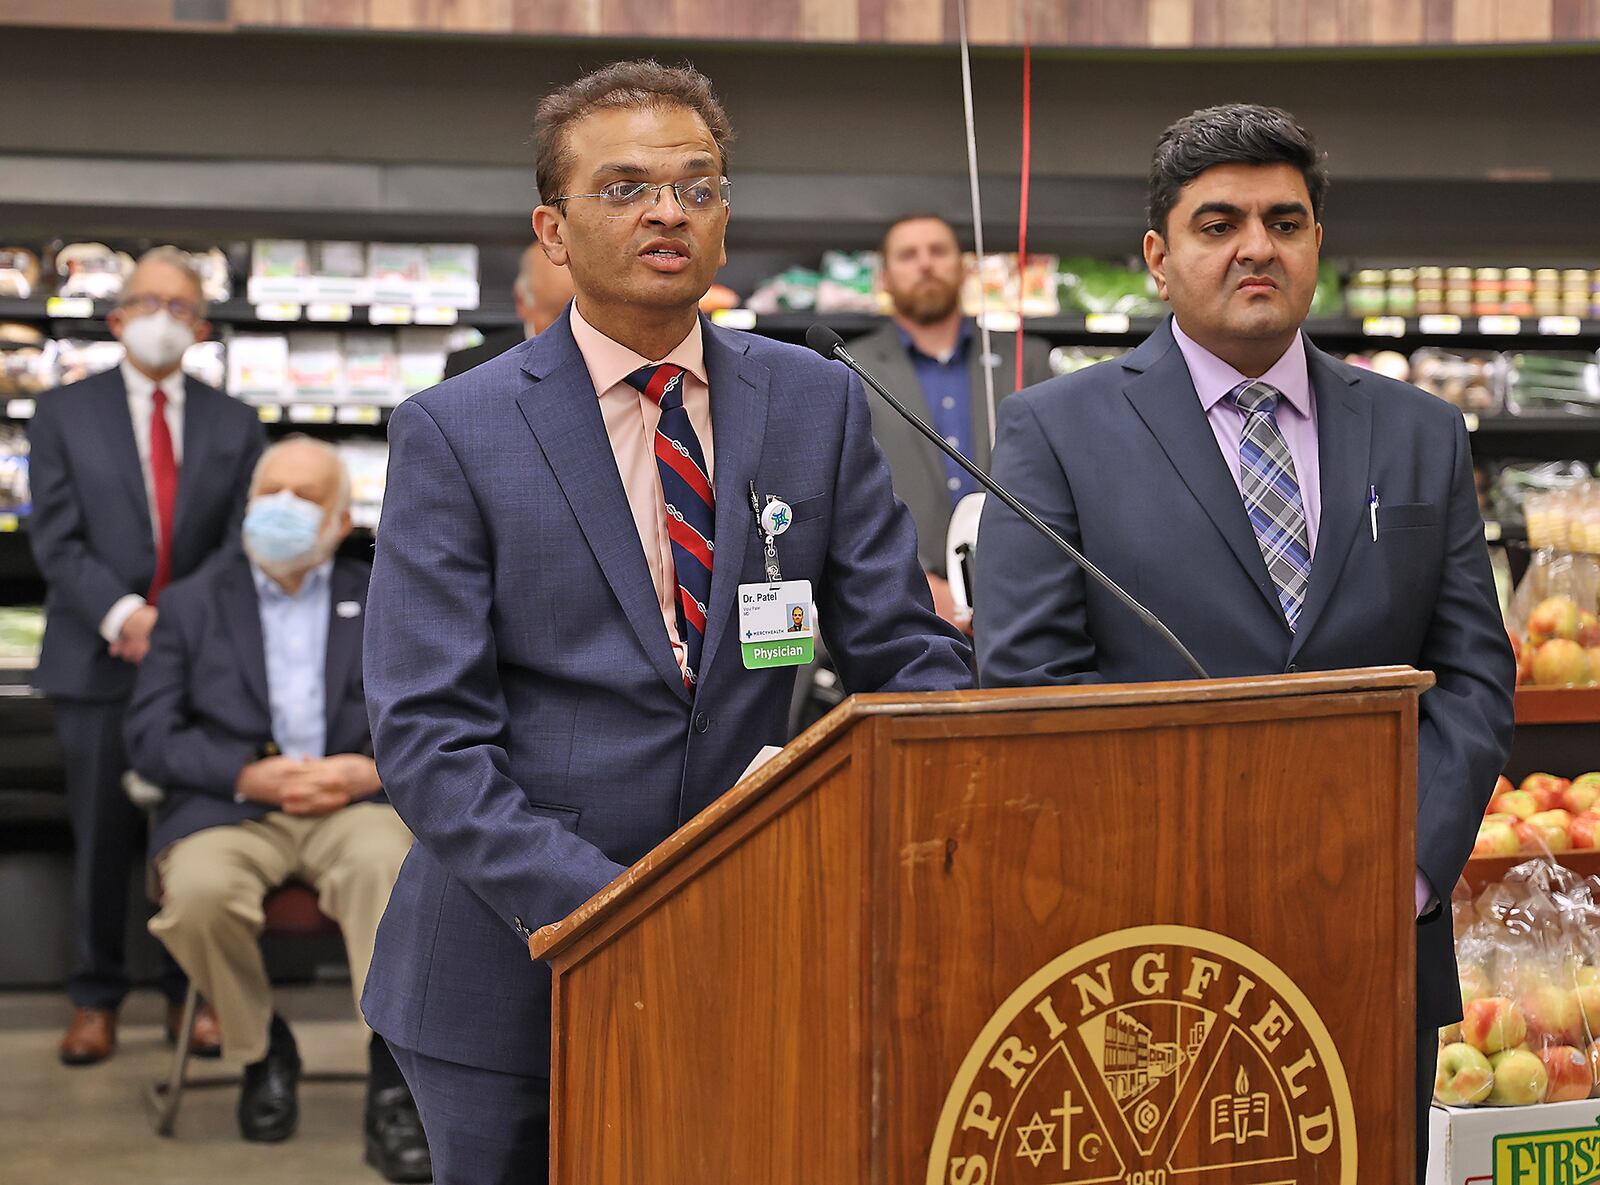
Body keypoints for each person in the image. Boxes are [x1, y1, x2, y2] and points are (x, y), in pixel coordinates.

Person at [360, 59, 972, 1185]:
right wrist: (616, 909)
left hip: (757, 951)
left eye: (696, 186)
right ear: (553, 228)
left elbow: (900, 647)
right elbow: (428, 738)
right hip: (516, 968)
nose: (666, 212)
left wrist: (930, 758)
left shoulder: (815, 397)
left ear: (725, 216)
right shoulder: (457, 430)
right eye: (625, 187)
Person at [973, 104, 1514, 1183]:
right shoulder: (1057, 431)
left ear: (1316, 243)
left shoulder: (1417, 432)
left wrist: (1405, 870)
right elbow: (1029, 689)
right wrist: (1174, 879)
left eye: (1284, 219)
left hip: (1373, 936)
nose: (1254, 246)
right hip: (1144, 953)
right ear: (1158, 259)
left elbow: (1470, 672)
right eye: (1217, 222)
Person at [124, 437, 428, 1182]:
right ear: (247, 503)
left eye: (305, 497)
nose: (283, 510)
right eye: (271, 492)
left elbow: (433, 711)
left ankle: (394, 1077)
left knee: (391, 870)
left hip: (353, 801)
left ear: (341, 517)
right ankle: (261, 1048)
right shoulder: (192, 602)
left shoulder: (388, 591)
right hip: (232, 807)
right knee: (195, 895)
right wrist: (246, 775)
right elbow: (150, 733)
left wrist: (369, 770)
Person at [27, 245, 265, 1065]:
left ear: (199, 327)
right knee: (100, 835)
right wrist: (125, 614)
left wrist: (178, 627)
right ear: (118, 314)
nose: (164, 319)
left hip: (196, 668)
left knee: (188, 831)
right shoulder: (63, 414)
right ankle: (94, 1000)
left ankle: (183, 998)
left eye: (181, 307)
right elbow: (54, 537)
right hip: (95, 659)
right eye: (149, 302)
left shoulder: (235, 423)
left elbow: (239, 541)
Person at [846, 214, 1053, 629]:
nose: (925, 264)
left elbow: (1054, 477)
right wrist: (912, 580)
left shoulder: (1025, 358)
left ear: (963, 268)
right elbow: (848, 495)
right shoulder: (849, 367)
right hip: (904, 607)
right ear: (884, 278)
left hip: (1023, 600)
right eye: (908, 255)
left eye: (938, 251)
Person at [442, 241, 575, 378]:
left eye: (583, 312)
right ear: (521, 301)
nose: (575, 324)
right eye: (557, 315)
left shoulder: (596, 362)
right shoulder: (469, 369)